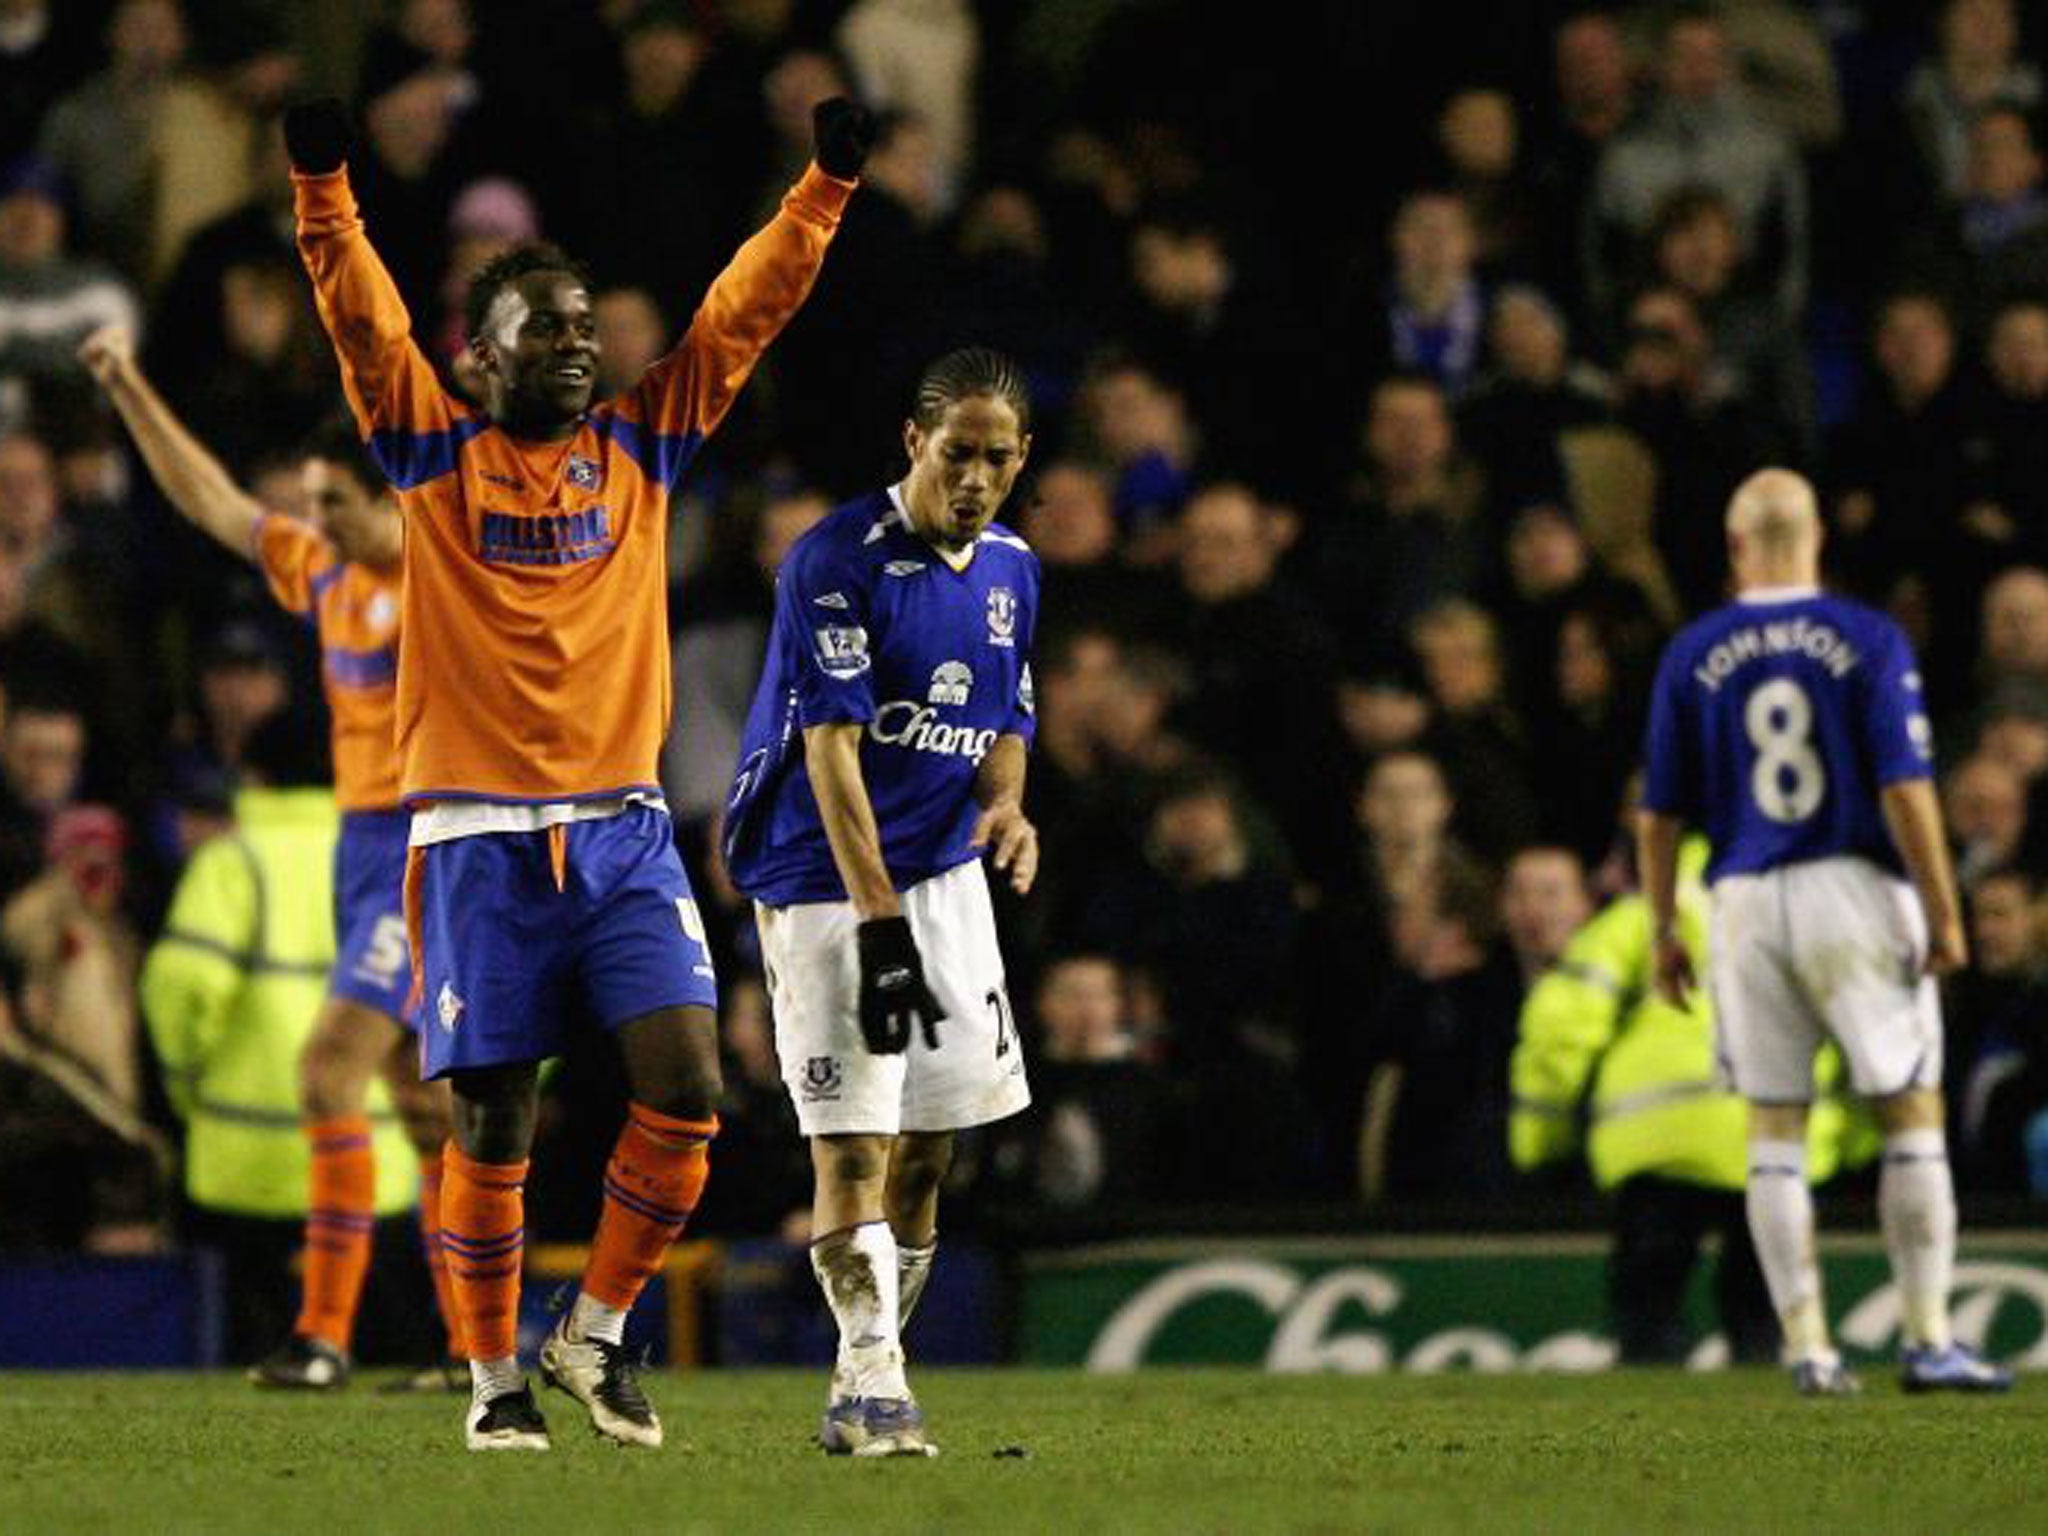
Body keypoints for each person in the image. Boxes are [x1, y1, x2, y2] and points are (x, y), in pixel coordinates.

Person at [283, 92, 871, 1451]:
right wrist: (324, 185)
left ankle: (593, 1335)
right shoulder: (430, 455)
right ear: (476, 359)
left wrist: (822, 191)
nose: (573, 343)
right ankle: (493, 1382)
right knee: (494, 1122)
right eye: (539, 326)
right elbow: (358, 312)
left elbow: (742, 314)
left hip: (621, 832)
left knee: (690, 1087)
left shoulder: (642, 450)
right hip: (476, 840)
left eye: (584, 327)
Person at [78, 325, 460, 1391]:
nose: (315, 518)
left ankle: (324, 1336)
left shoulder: (444, 573)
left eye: (336, 500)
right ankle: (472, 1340)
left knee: (327, 1070)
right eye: (311, 500)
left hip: (424, 844)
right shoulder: (326, 572)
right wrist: (129, 388)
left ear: (392, 497)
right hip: (362, 845)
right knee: (418, 1098)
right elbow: (212, 505)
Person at [723, 347, 1039, 1458]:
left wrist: (1007, 808)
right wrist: (876, 922)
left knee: (930, 1145)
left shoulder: (1010, 569)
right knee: (852, 1145)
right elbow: (832, 755)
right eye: (958, 453)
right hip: (827, 881)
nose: (976, 477)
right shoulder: (832, 562)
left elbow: (1006, 722)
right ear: (915, 443)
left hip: (944, 879)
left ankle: (862, 1370)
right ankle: (875, 1386)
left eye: (997, 458)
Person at [1637, 467, 2012, 1395]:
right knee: (1909, 1105)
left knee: (1774, 1124)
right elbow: (1904, 784)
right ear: (1816, 541)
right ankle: (1926, 1337)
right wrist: (1943, 907)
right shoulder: (1865, 636)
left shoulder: (1692, 650)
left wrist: (1660, 930)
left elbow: (1658, 812)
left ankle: (1808, 1347)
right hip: (1851, 883)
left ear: (1735, 548)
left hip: (1743, 899)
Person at [140, 711, 420, 1364]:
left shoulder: (235, 861)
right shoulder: (391, 859)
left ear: (252, 776)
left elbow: (181, 986)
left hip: (243, 1162)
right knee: (385, 1366)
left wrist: (189, 1087)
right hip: (377, 1159)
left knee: (240, 1363)